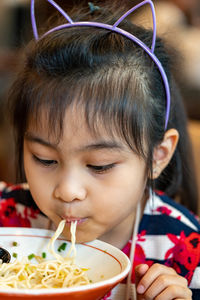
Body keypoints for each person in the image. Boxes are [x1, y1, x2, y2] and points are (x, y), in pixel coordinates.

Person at [0, 1, 199, 299]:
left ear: (157, 156)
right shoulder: (10, 220)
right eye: (45, 159)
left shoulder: (183, 249)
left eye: (100, 165)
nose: (68, 191)